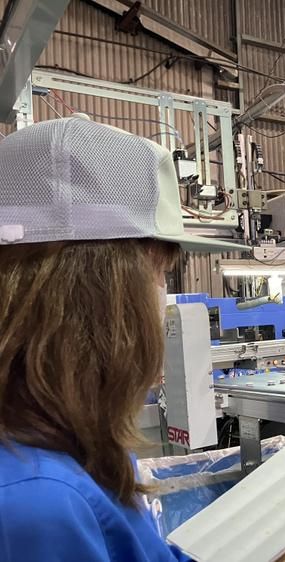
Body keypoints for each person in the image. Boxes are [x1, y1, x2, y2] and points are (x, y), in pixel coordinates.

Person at [0, 117, 248, 561]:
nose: (162, 297)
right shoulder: (37, 505)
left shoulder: (81, 445)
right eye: (160, 274)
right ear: (101, 296)